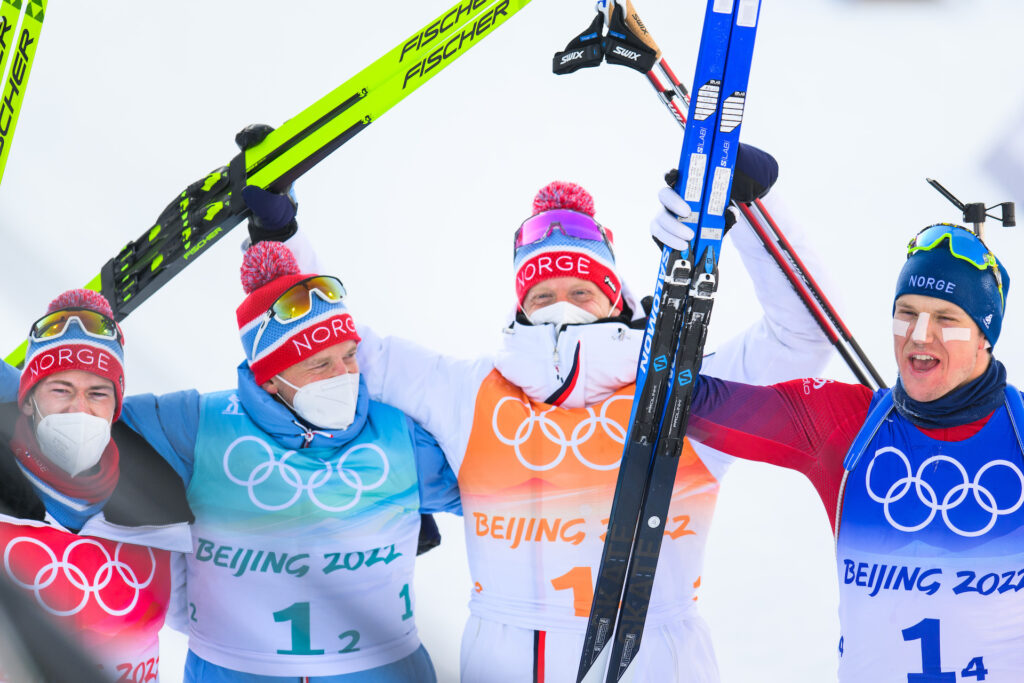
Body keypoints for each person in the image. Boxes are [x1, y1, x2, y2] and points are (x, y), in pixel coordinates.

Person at [353, 151, 836, 681]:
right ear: (522, 307)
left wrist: (750, 211)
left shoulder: (683, 393)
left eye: (582, 291)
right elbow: (342, 355)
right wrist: (279, 248)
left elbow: (805, 335)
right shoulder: (468, 392)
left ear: (613, 298)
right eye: (543, 294)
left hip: (655, 657)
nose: (564, 305)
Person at [666, 220, 1024, 681]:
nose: (918, 334)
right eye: (907, 312)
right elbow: (691, 403)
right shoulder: (846, 424)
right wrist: (635, 333)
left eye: (946, 318)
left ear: (984, 335)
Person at [119, 239, 461, 682]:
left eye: (350, 356)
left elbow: (504, 486)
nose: (344, 377)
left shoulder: (399, 435)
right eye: (320, 366)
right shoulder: (201, 425)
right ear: (270, 379)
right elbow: (84, 421)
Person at [0, 289, 193, 681]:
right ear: (27, 400)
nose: (79, 409)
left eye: (97, 394)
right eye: (61, 390)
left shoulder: (161, 501)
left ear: (115, 409)